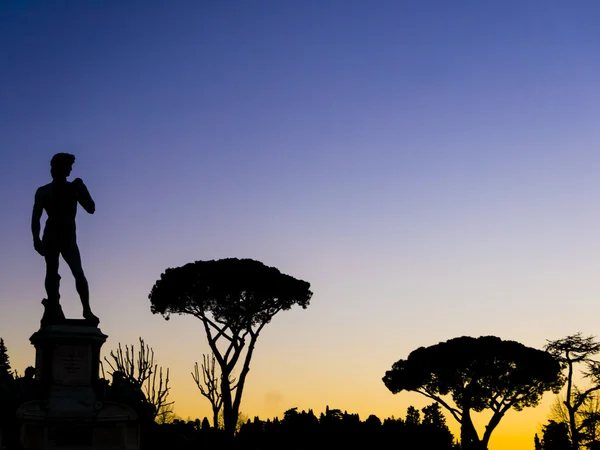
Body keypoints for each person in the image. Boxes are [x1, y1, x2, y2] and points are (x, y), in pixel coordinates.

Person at [31, 153, 99, 325]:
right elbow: (36, 217)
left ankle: (87, 310)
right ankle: (54, 305)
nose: (69, 169)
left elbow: (91, 208)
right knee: (52, 272)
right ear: (58, 168)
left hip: (68, 237)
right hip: (52, 235)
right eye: (67, 166)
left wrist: (82, 188)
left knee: (78, 273)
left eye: (70, 167)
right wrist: (36, 239)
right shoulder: (43, 191)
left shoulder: (74, 188)